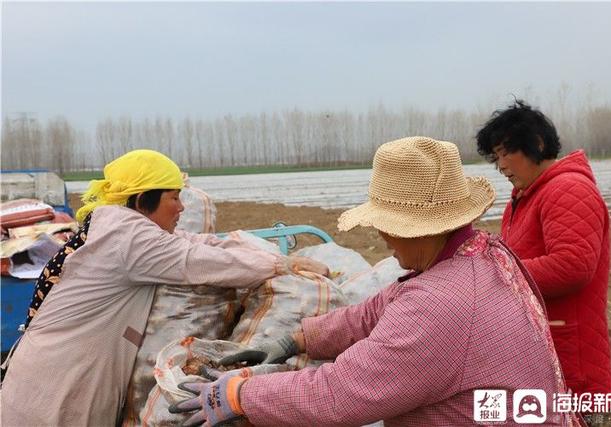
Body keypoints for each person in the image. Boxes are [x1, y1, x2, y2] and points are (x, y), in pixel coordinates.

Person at [170, 137, 581, 426]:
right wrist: (295, 341)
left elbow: (343, 394)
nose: (382, 235)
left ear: (418, 229)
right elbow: (376, 309)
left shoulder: (441, 305)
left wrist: (243, 396)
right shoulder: (477, 254)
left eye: (386, 224)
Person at [0, 149, 329, 426]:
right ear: (144, 200)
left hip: (59, 370)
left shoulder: (121, 225)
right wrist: (282, 265)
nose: (182, 207)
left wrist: (239, 244)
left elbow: (196, 242)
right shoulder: (128, 237)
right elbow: (196, 261)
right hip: (54, 386)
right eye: (174, 197)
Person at [476, 100, 611, 398]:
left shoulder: (567, 189)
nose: (500, 165)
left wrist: (495, 272)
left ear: (536, 143)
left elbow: (572, 265)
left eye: (505, 152)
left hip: (570, 359)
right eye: (496, 156)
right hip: (544, 350)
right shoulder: (526, 197)